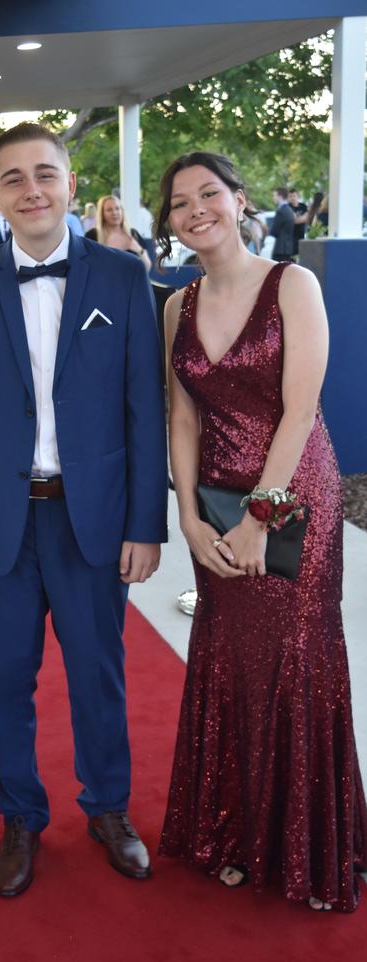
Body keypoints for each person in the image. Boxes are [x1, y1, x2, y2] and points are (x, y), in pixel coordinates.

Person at [0, 122, 168, 897]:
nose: (31, 190)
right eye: (13, 179)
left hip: (91, 517)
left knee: (99, 674)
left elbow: (144, 408)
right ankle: (21, 819)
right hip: (1, 525)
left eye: (46, 174)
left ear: (71, 183)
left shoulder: (123, 277)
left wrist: (144, 523)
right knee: (5, 678)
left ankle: (107, 808)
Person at [155, 150, 367, 912]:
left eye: (208, 193)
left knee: (294, 658)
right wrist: (185, 512)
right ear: (169, 221)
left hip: (291, 499)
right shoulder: (176, 306)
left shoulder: (293, 284)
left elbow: (302, 410)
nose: (195, 210)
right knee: (227, 658)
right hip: (212, 497)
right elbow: (181, 416)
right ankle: (233, 834)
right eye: (179, 203)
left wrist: (261, 516)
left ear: (240, 200)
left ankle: (308, 848)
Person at [86, 195, 151, 271]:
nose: (114, 213)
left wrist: (139, 250)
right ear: (102, 214)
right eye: (109, 210)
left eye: (117, 208)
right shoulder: (92, 236)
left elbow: (147, 266)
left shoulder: (133, 234)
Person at [269, 187, 295, 262]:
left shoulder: (281, 211)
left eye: (274, 195)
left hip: (280, 249)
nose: (273, 198)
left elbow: (273, 231)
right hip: (287, 248)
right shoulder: (289, 209)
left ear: (280, 196)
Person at [287, 188, 308, 254]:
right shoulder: (288, 207)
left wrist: (297, 219)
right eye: (290, 196)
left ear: (298, 196)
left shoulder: (303, 206)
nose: (292, 198)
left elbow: (306, 219)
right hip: (291, 237)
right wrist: (301, 219)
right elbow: (292, 220)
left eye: (294, 196)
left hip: (302, 236)